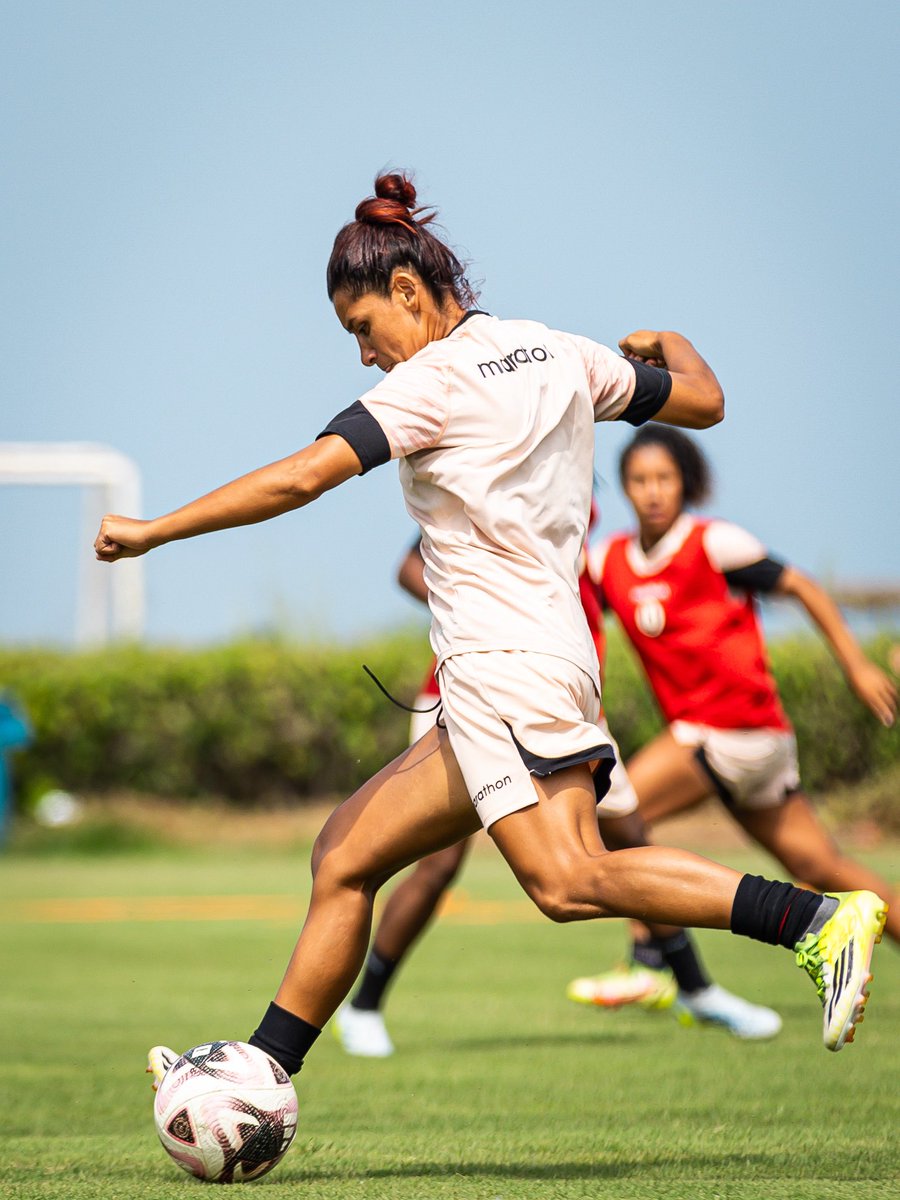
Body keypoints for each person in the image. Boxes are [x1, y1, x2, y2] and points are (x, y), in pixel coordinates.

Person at [94, 172, 885, 1094]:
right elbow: (705, 402)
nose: (363, 356)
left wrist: (154, 531)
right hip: (539, 667)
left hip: (504, 675)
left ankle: (812, 922)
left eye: (361, 329)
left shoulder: (426, 385)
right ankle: (259, 1074)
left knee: (568, 881)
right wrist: (668, 342)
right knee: (345, 856)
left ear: (406, 291)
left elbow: (303, 477)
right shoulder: (560, 353)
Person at [335, 534, 781, 1057]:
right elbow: (412, 564)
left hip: (564, 706)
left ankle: (694, 988)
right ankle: (364, 1006)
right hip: (473, 699)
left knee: (629, 838)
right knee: (441, 866)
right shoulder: (497, 468)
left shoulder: (580, 502)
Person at [567, 424, 898, 1008]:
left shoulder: (715, 544)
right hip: (720, 744)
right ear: (622, 488)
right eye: (639, 480)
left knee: (617, 813)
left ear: (686, 483)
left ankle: (652, 965)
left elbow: (804, 588)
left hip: (739, 733)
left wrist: (857, 667)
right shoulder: (609, 560)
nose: (652, 492)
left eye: (664, 479)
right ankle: (663, 965)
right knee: (821, 865)